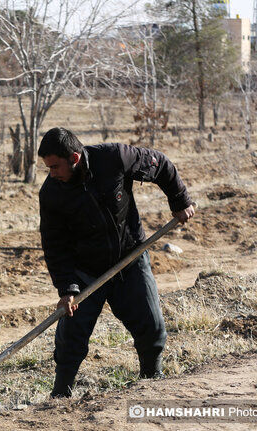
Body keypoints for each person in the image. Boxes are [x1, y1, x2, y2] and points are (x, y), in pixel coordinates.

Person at [37, 127, 195, 398]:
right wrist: (67, 288)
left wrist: (179, 200)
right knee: (71, 337)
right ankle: (60, 395)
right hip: (86, 271)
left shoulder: (114, 158)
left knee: (151, 325)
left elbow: (160, 164)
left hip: (129, 258)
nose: (51, 173)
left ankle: (151, 380)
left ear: (74, 158)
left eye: (55, 166)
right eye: (48, 168)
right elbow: (54, 245)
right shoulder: (52, 193)